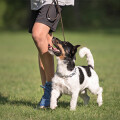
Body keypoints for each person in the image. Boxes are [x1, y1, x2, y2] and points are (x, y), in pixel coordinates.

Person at [29, 0, 74, 108]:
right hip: (36, 3)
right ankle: (48, 93)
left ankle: (51, 88)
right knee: (45, 40)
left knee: (38, 35)